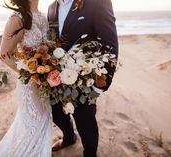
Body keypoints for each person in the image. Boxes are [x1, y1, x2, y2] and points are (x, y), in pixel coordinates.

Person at [48, 0, 118, 156]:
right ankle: (69, 137)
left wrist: (102, 82)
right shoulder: (52, 8)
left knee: (85, 120)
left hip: (85, 78)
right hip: (56, 77)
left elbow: (110, 43)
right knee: (56, 113)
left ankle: (90, 153)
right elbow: (53, 40)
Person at [0, 0, 52, 156]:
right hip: (30, 84)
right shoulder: (17, 18)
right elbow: (4, 55)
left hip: (45, 81)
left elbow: (46, 48)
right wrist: (31, 75)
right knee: (33, 124)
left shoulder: (43, 17)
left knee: (44, 121)